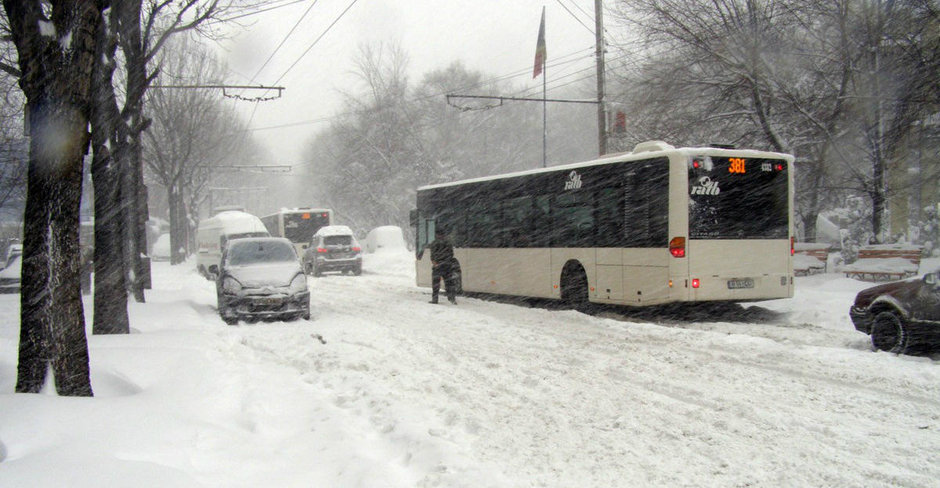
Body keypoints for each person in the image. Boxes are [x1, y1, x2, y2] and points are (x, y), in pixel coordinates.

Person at [429, 227, 457, 304]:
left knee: (436, 284)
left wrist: (435, 263)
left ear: (436, 234)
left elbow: (432, 256)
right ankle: (452, 298)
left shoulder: (434, 243)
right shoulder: (448, 243)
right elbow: (451, 254)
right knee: (449, 283)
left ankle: (435, 299)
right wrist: (447, 261)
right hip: (447, 266)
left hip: (438, 266)